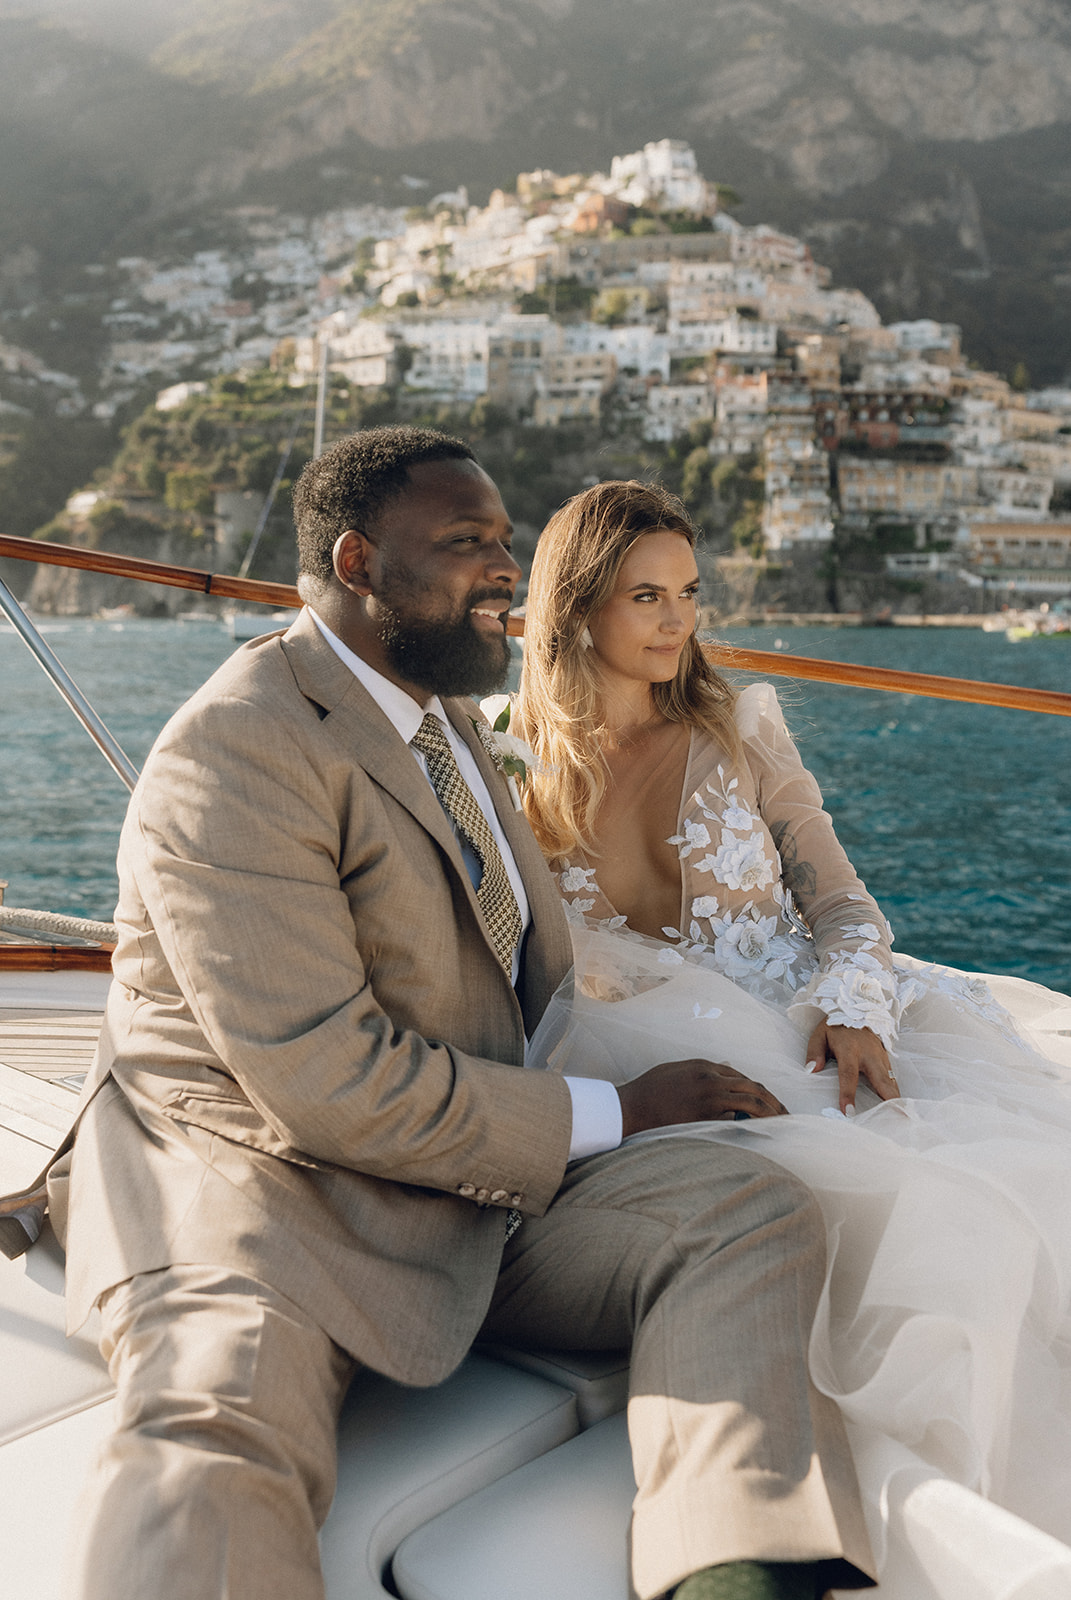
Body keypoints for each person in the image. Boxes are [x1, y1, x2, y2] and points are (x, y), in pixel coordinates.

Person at [35, 430, 875, 1600]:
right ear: (359, 562)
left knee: (745, 1212)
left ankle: (740, 1570)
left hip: (467, 1185)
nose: (504, 570)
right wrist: (616, 1109)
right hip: (267, 1183)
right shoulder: (237, 751)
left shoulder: (450, 725)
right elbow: (328, 1081)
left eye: (508, 543)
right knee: (215, 1414)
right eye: (468, 542)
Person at [512, 479, 1071, 1599]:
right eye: (647, 597)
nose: (678, 622)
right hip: (660, 1071)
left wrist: (858, 1001)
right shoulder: (514, 771)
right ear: (576, 611)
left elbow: (846, 906)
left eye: (689, 593)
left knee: (990, 1204)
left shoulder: (741, 724)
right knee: (882, 1224)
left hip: (822, 1027)